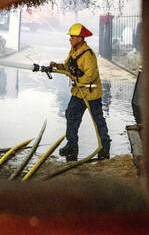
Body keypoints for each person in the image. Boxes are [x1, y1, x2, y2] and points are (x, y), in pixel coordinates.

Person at [42, 22, 111, 161]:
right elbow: (68, 66)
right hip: (78, 93)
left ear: (80, 38)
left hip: (91, 93)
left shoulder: (89, 55)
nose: (70, 39)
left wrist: (74, 78)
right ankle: (72, 144)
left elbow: (90, 76)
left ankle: (104, 146)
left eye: (73, 37)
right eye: (70, 37)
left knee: (98, 120)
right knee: (71, 115)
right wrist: (57, 66)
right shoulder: (74, 50)